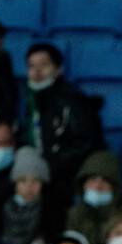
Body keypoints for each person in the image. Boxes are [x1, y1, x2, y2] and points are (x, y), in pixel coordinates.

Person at [19, 42, 103, 191]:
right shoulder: (25, 101)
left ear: (58, 70)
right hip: (38, 174)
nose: (37, 71)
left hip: (66, 179)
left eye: (44, 65)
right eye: (31, 66)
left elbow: (87, 144)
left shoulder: (73, 102)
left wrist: (52, 162)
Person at [0, 146, 51, 244]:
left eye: (35, 181)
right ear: (15, 184)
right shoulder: (4, 206)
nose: (29, 187)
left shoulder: (48, 210)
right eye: (23, 181)